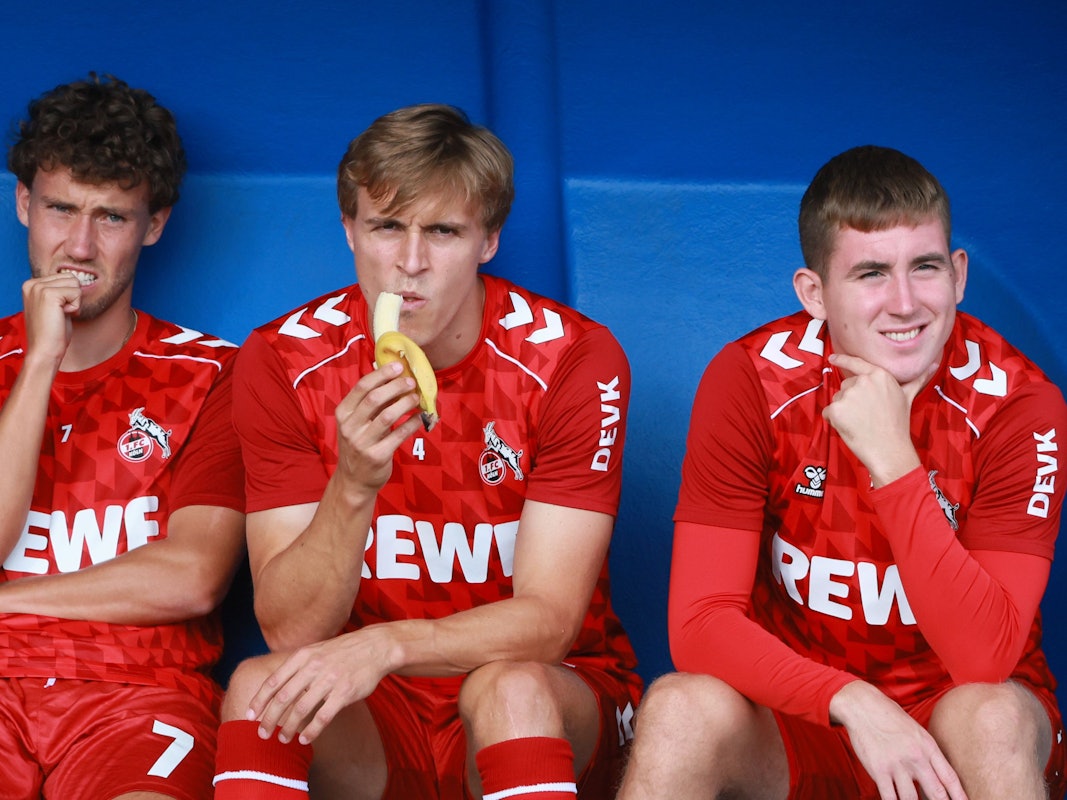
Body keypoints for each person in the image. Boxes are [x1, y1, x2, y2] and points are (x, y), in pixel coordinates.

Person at [211, 103, 641, 800]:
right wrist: (352, 484)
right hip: (375, 711)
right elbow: (289, 627)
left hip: (546, 692)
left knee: (510, 690)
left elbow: (551, 621)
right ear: (349, 229)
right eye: (387, 227)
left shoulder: (572, 358)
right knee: (260, 688)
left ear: (488, 240)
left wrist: (389, 645)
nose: (410, 264)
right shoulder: (283, 359)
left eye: (442, 231)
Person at [616, 145, 1066, 800]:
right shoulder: (751, 380)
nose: (905, 302)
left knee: (991, 715)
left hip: (956, 726)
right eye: (871, 274)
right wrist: (852, 702)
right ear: (814, 293)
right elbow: (700, 624)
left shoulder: (1018, 404)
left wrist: (893, 460)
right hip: (808, 718)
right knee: (678, 708)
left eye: (925, 267)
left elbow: (983, 659)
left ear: (959, 274)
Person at [0, 74, 246, 798]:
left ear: (154, 224)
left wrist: (8, 600)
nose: (79, 245)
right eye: (61, 210)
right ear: (23, 205)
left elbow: (193, 576)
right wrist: (39, 362)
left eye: (111, 217)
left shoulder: (214, 374)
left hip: (140, 693)